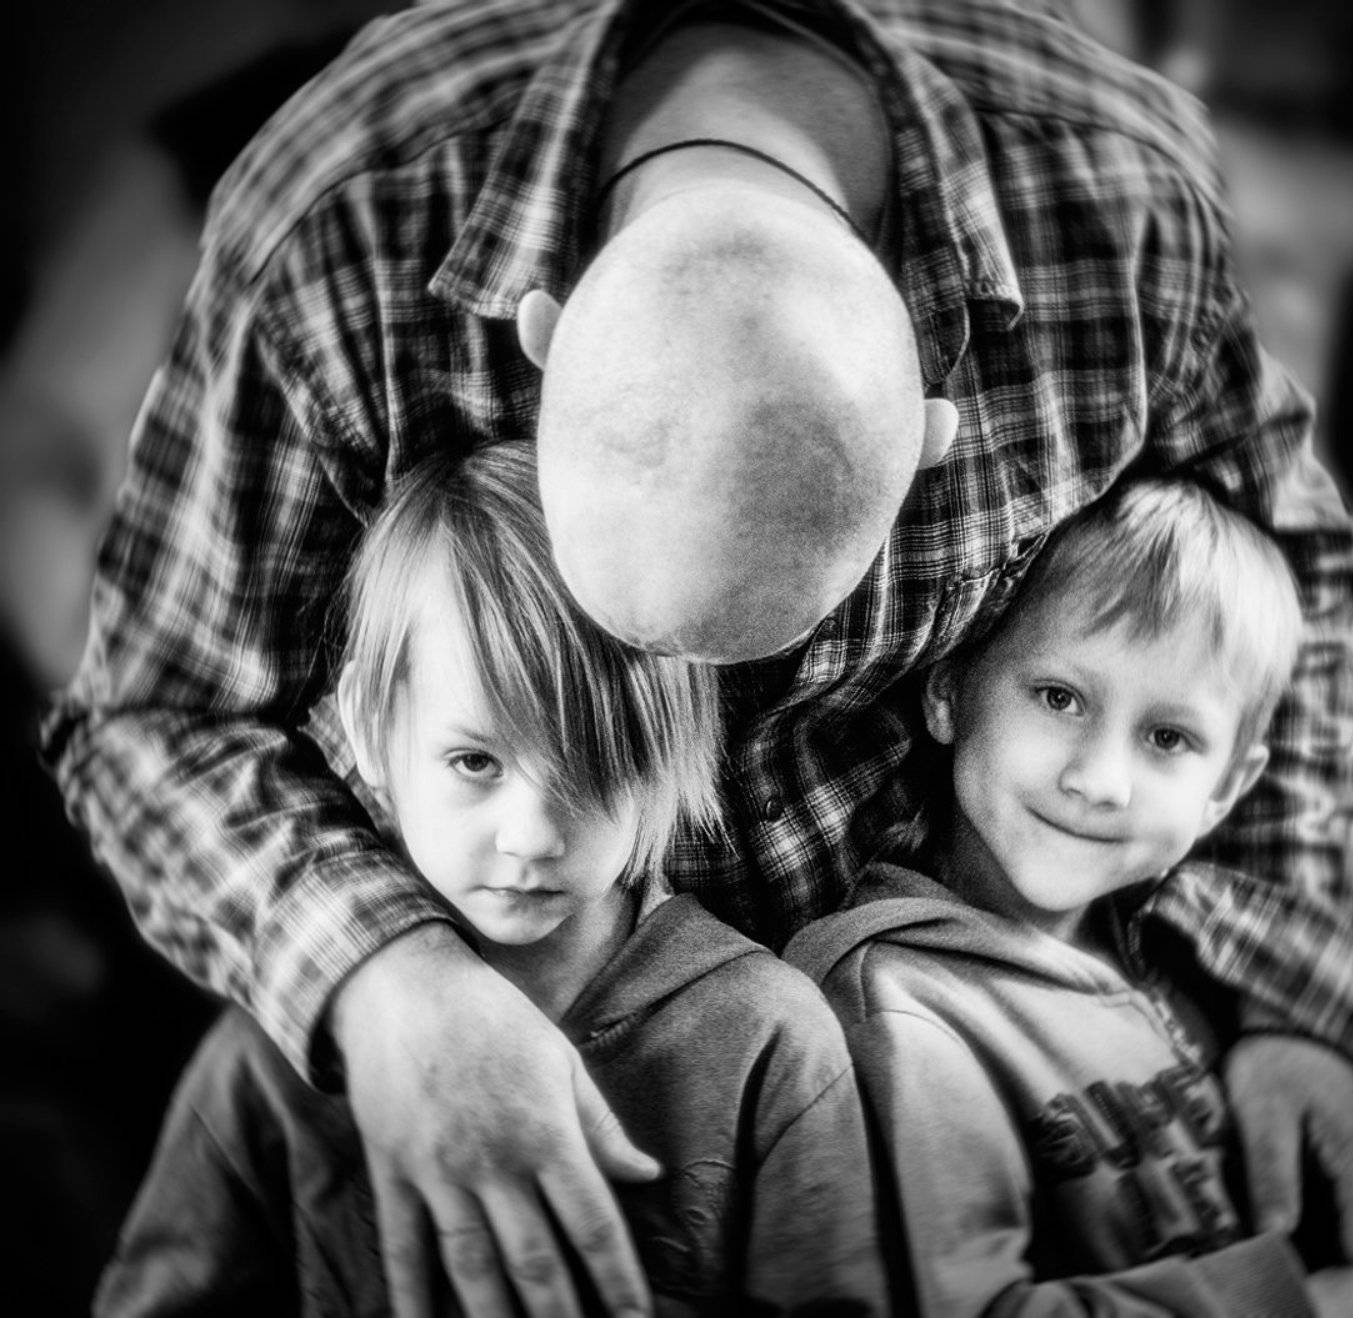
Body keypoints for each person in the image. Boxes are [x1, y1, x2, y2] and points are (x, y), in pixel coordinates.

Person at [43, 1, 1353, 1312]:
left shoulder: (1123, 217)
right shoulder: (338, 228)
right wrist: (381, 974)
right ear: (545, 339)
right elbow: (156, 712)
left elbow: (1294, 569)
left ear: (932, 432)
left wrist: (1285, 1002)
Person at [91, 441, 886, 1316]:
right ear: (368, 723)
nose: (532, 836)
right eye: (475, 761)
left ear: (674, 753)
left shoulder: (769, 1038)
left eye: (594, 767)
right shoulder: (279, 1053)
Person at [786, 477, 1353, 1317]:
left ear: (1227, 789)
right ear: (949, 691)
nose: (1099, 779)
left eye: (1168, 737)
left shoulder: (1186, 974)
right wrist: (1302, 1309)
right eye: (1059, 698)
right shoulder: (902, 1010)